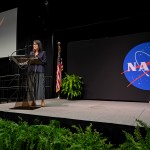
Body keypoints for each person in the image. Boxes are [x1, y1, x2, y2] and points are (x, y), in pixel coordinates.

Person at [27, 40, 47, 107]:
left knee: (41, 86)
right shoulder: (31, 53)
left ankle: (42, 101)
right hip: (32, 71)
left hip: (40, 71)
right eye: (33, 44)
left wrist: (38, 59)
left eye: (35, 44)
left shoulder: (43, 53)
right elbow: (29, 61)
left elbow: (44, 62)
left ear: (39, 45)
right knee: (32, 86)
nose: (34, 45)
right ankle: (33, 101)